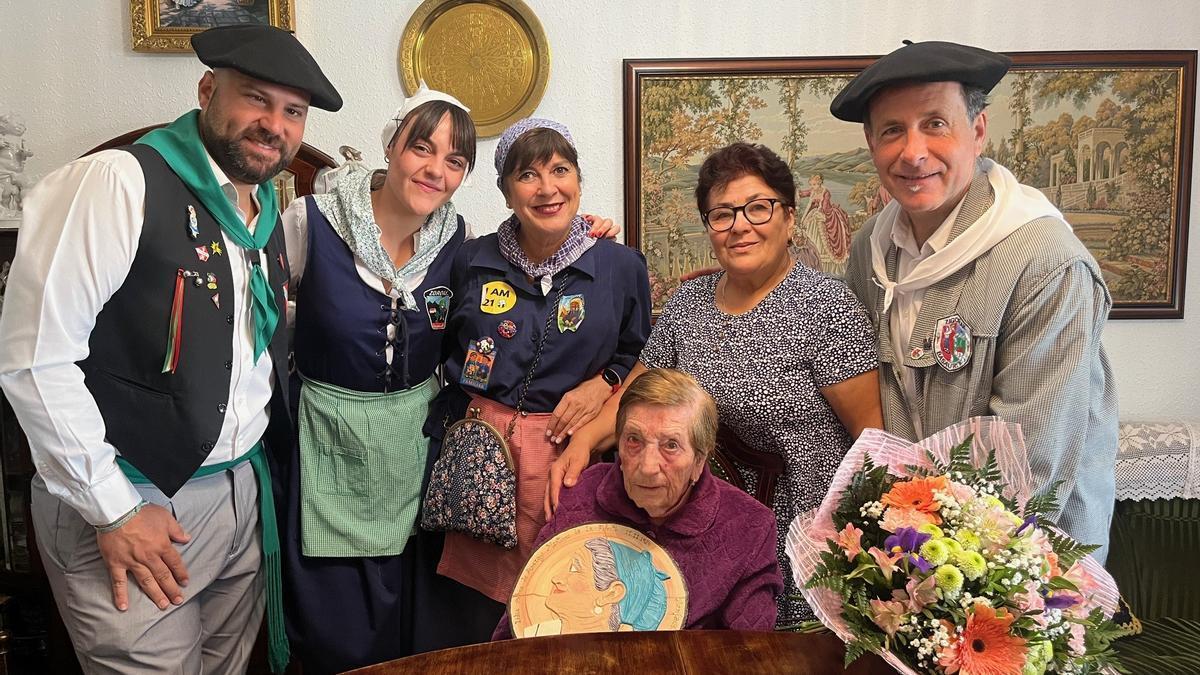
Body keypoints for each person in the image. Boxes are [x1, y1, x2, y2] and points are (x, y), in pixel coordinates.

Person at [0, 25, 340, 673]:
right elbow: (33, 357)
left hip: (239, 495)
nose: (274, 124)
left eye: (292, 111)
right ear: (208, 89)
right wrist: (115, 510)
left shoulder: (264, 210)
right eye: (256, 99)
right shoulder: (115, 182)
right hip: (132, 496)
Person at [554, 142, 882, 624]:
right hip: (704, 522)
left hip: (803, 534)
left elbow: (870, 443)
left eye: (758, 207)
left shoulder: (827, 308)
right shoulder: (688, 305)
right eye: (722, 214)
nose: (740, 226)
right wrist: (582, 442)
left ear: (789, 218)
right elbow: (635, 398)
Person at [833, 40, 1118, 561]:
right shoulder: (869, 250)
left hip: (1025, 569)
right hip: (904, 555)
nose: (913, 152)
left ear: (978, 130)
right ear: (871, 143)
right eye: (892, 130)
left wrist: (921, 553)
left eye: (935, 124)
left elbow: (1031, 461)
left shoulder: (1045, 261)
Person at [430, 117, 652, 646]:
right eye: (527, 175)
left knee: (567, 599)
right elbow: (437, 346)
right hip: (483, 458)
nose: (548, 187)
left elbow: (640, 350)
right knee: (478, 615)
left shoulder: (621, 266)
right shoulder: (470, 259)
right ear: (506, 191)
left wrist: (607, 381)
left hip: (574, 455)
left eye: (561, 169)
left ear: (578, 179)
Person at [495, 368, 783, 639]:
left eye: (671, 445)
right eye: (634, 440)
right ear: (618, 442)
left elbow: (749, 652)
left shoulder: (750, 527)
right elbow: (518, 621)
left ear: (699, 460)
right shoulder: (579, 494)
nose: (647, 467)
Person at [798, 173, 852, 273]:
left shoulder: (825, 192)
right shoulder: (813, 190)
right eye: (811, 185)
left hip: (825, 214)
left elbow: (824, 207)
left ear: (820, 183)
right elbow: (803, 194)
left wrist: (817, 214)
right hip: (815, 214)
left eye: (814, 184)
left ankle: (825, 265)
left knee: (822, 237)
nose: (812, 187)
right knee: (809, 231)